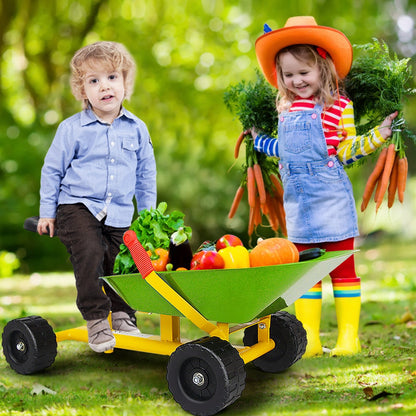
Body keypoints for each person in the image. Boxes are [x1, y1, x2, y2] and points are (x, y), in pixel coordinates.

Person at [250, 16, 398, 357]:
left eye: (304, 72)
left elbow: (346, 150)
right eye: (289, 74)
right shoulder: (284, 110)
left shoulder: (338, 108)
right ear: (280, 77)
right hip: (299, 205)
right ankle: (311, 340)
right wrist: (259, 140)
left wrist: (378, 136)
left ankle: (348, 338)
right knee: (307, 274)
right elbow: (283, 151)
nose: (297, 80)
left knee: (343, 269)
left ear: (322, 69)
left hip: (330, 199)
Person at [37, 41, 157, 353]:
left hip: (118, 211)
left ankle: (122, 315)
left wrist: (148, 218)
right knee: (89, 254)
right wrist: (47, 213)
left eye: (112, 77)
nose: (104, 86)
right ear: (82, 91)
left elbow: (146, 176)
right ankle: (96, 319)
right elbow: (52, 170)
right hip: (77, 204)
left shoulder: (138, 129)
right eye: (94, 81)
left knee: (123, 261)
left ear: (126, 83)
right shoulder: (71, 129)